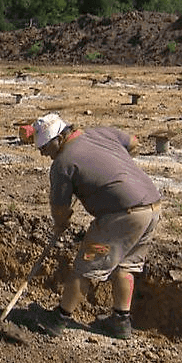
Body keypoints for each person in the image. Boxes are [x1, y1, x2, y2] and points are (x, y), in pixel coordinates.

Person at [29, 113, 162, 340]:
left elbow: (60, 211)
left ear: (58, 139)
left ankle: (59, 320)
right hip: (152, 208)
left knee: (85, 267)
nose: (43, 153)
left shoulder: (63, 164)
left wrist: (60, 225)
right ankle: (120, 322)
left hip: (122, 216)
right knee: (126, 265)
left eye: (44, 148)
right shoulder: (100, 133)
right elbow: (133, 143)